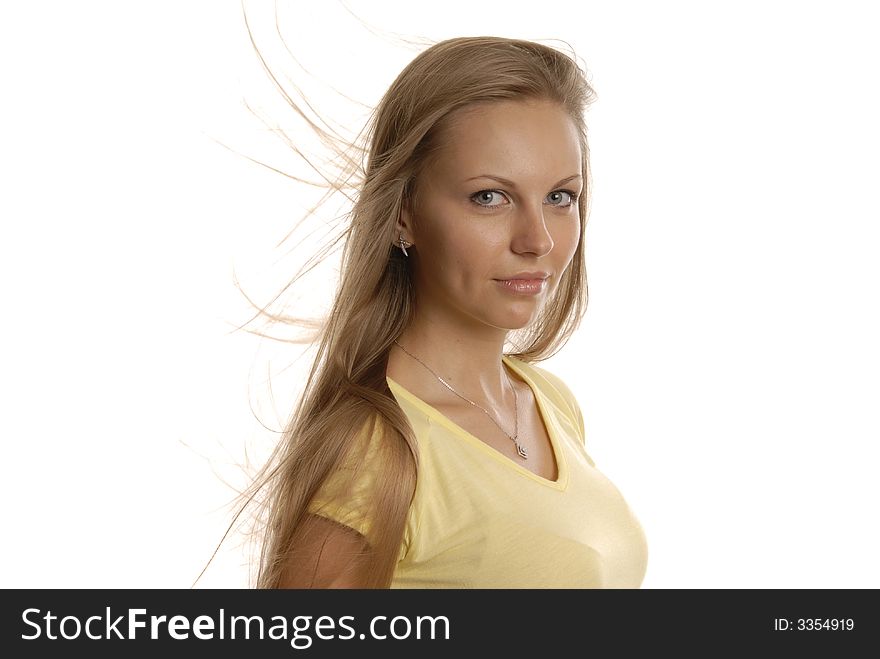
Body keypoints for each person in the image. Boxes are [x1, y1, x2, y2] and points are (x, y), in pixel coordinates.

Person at [229, 35, 648, 589]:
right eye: (489, 197)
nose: (538, 239)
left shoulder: (549, 403)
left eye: (560, 196)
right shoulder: (376, 450)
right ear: (403, 215)